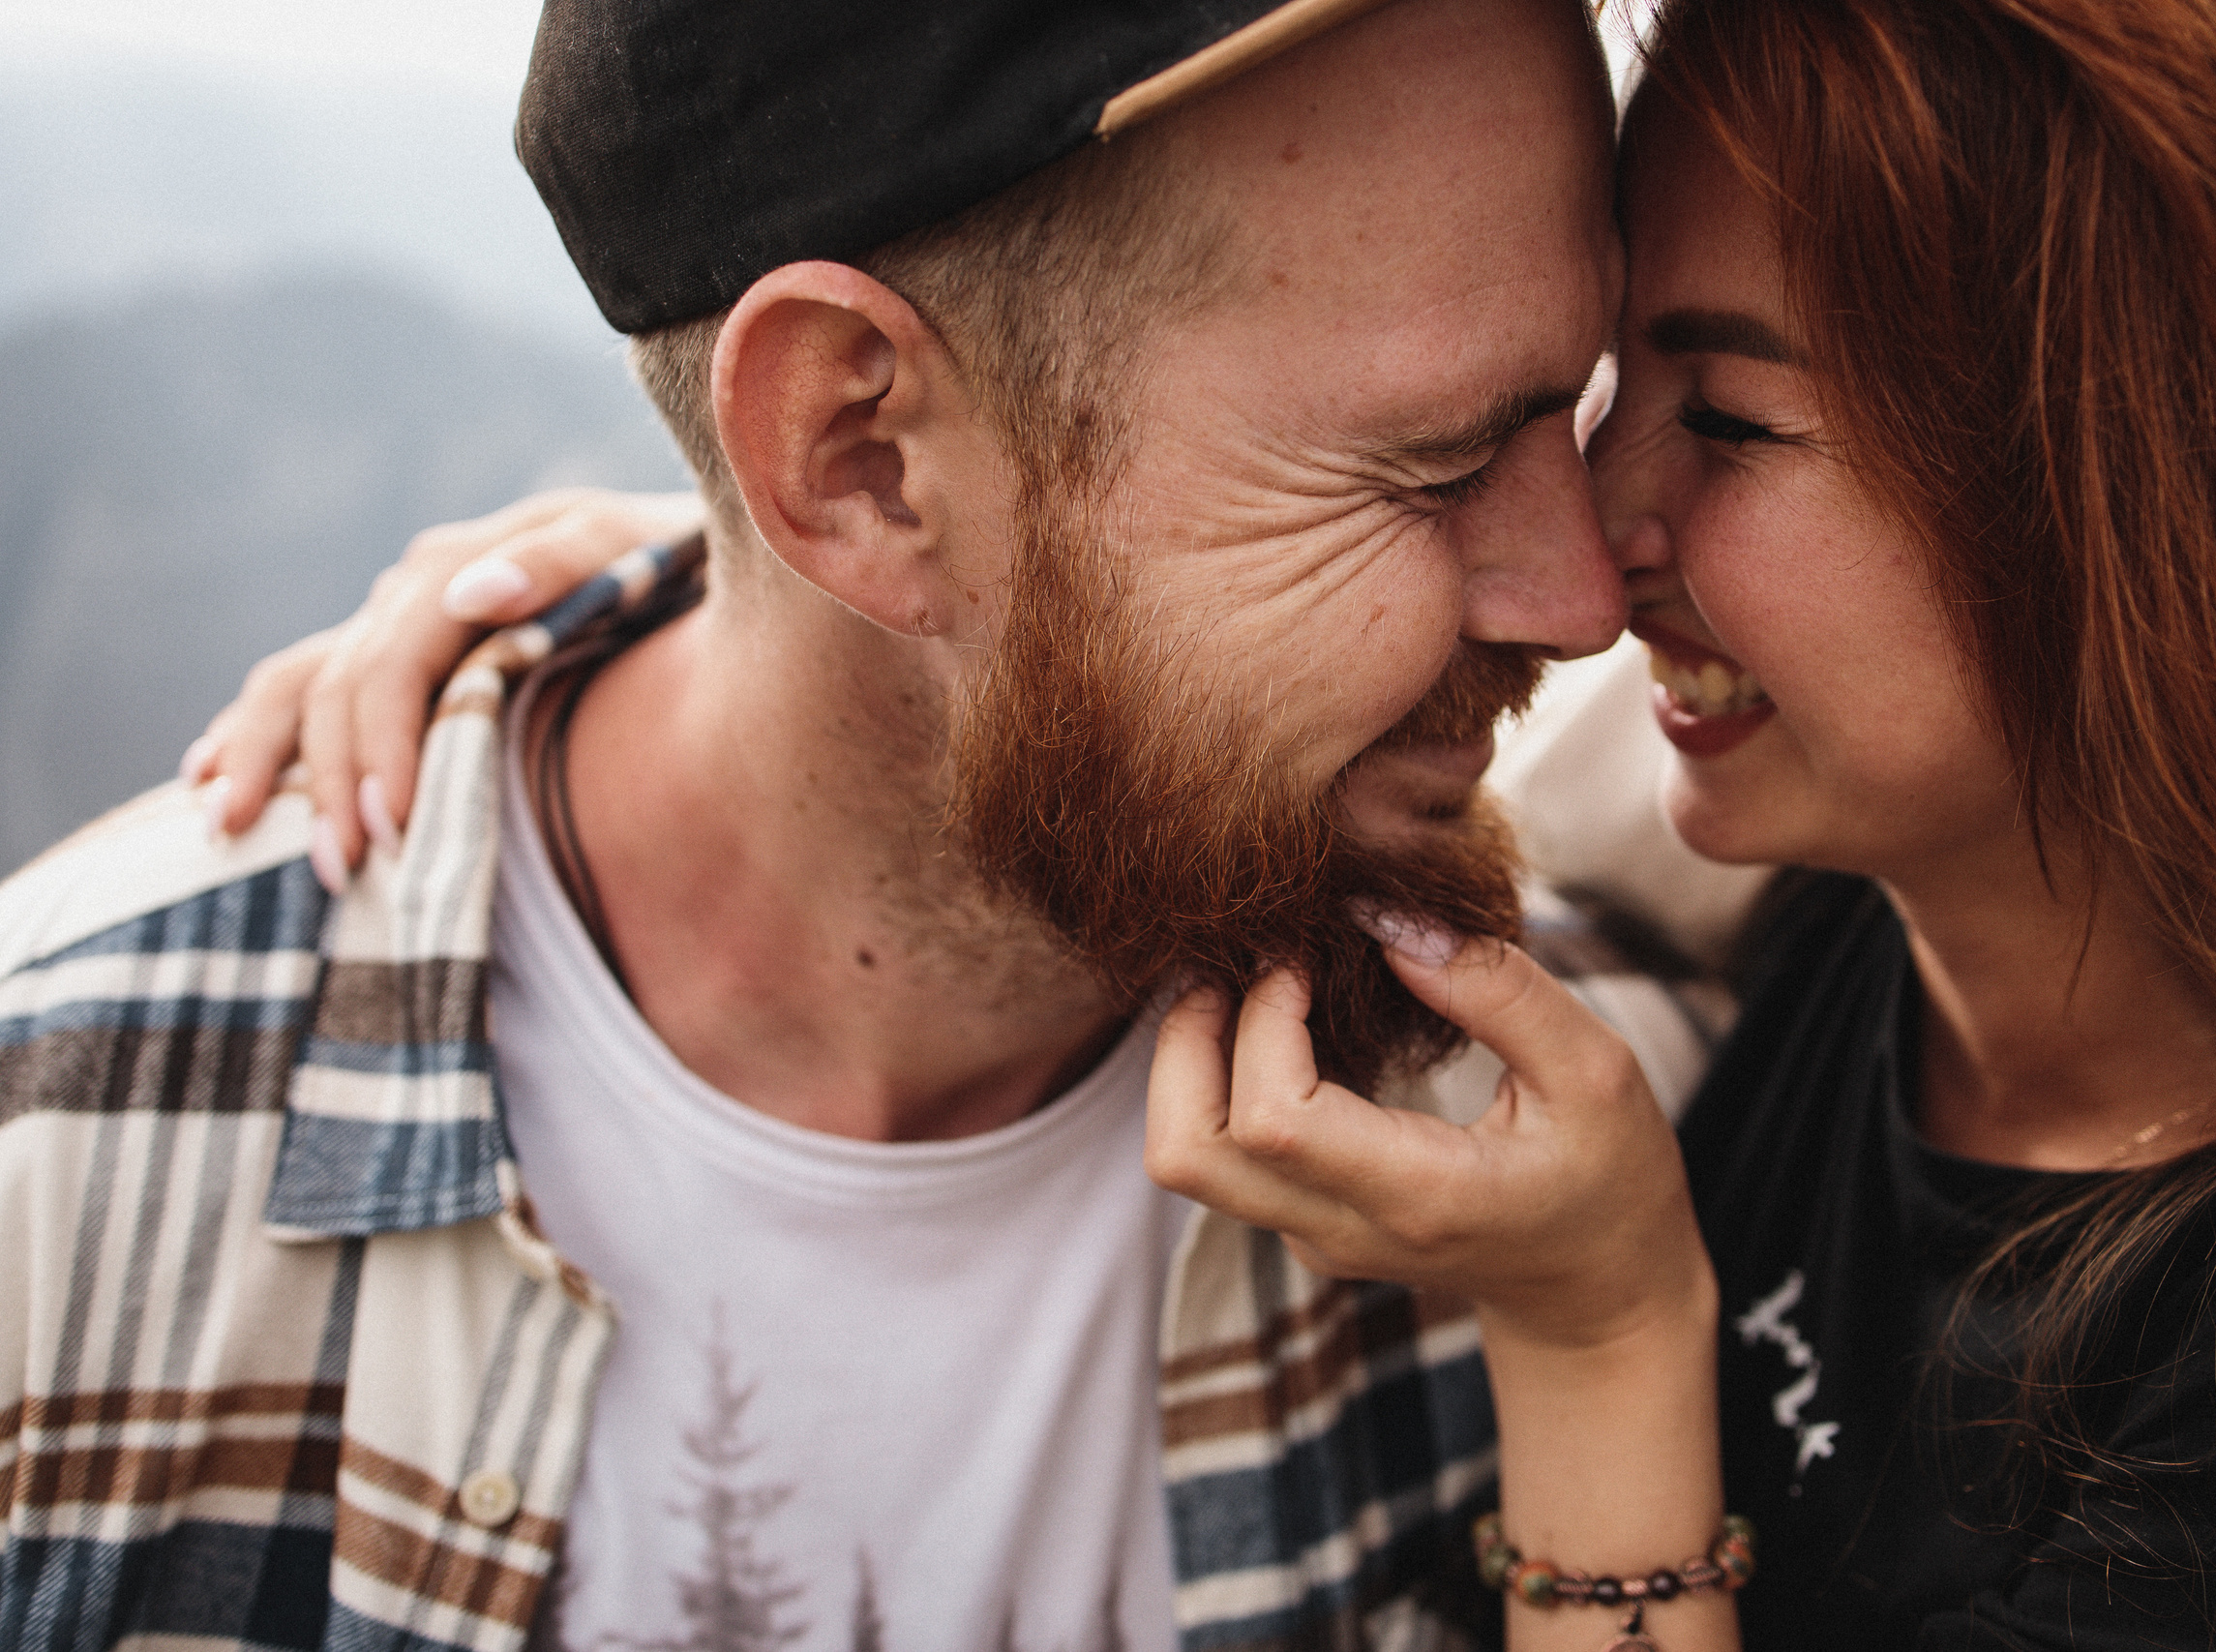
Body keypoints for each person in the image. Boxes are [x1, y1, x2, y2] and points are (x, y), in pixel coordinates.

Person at [211, 0, 2216, 1648]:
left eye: (1723, 416)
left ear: (2166, 497)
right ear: (858, 463)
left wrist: (1598, 1343)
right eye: (1464, 445)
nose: (1583, 585)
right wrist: (796, 586)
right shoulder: (1764, 896)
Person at [0, 3, 1722, 1649]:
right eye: (1428, 469)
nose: (1585, 604)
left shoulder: (1597, 1141)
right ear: (859, 463)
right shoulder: (59, 1184)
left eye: (1568, 409)